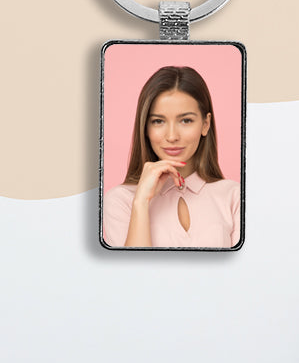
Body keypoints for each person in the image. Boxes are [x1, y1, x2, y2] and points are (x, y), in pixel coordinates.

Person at [103, 66, 240, 248]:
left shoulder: (234, 196)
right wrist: (141, 202)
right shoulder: (121, 200)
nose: (172, 136)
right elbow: (132, 273)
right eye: (158, 121)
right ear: (145, 128)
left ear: (205, 124)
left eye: (186, 120)